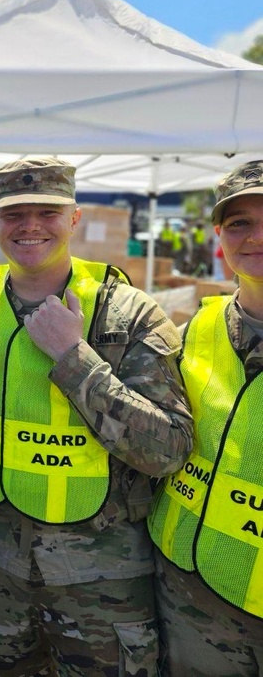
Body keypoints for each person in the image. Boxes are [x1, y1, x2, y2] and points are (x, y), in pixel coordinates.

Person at [0, 157, 194, 676]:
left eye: (47, 211)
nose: (30, 225)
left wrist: (74, 359)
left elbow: (168, 449)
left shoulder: (127, 314)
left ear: (74, 219)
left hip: (99, 583)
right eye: (13, 213)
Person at [148, 160, 263, 676]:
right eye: (239, 223)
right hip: (192, 594)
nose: (255, 237)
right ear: (219, 237)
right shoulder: (199, 326)